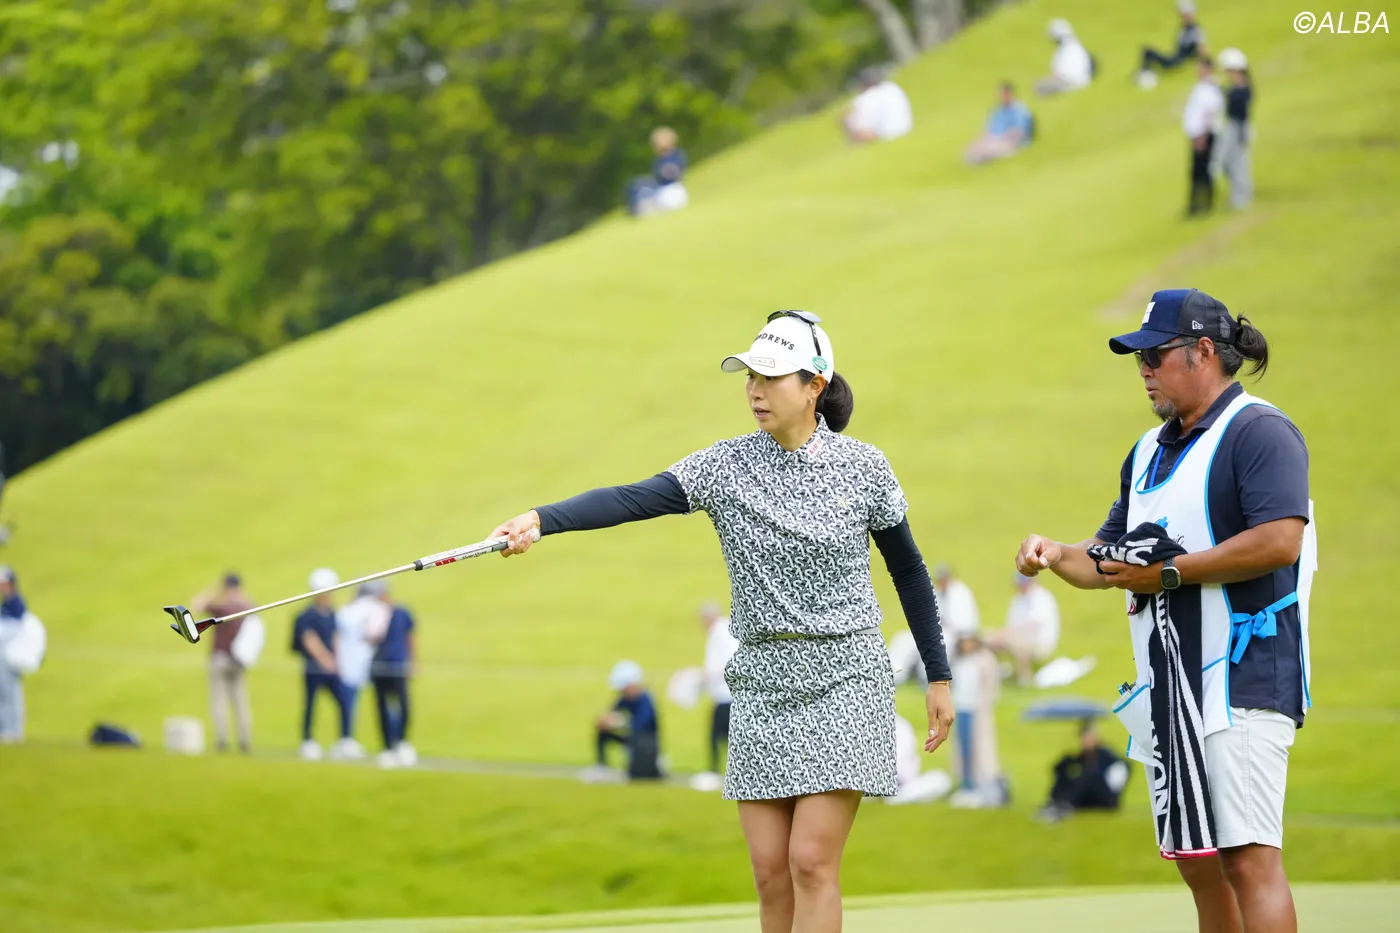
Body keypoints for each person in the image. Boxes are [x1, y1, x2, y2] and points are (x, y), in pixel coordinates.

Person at [488, 309, 953, 932]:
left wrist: (938, 676)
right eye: (749, 376)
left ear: (814, 385)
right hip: (761, 681)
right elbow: (630, 499)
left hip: (845, 675)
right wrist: (541, 519)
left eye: (771, 376)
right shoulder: (725, 467)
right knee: (769, 873)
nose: (754, 390)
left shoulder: (864, 467)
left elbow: (910, 572)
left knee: (810, 862)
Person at [1015, 288, 1314, 933]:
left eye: (1155, 354)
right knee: (1201, 867)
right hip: (1171, 692)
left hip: (1243, 681)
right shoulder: (1148, 450)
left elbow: (1279, 540)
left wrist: (1168, 574)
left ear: (1203, 351)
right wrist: (1056, 553)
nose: (1144, 369)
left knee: (1248, 860)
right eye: (1138, 358)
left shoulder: (1259, 431)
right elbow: (1105, 559)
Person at [192, 572, 254, 753]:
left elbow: (197, 604)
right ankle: (244, 740)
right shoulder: (247, 605)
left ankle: (222, 740)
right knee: (240, 700)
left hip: (220, 657)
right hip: (240, 659)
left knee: (219, 700)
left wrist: (214, 591)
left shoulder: (222, 606)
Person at [947, 632, 1006, 808]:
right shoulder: (957, 661)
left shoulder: (984, 660)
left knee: (979, 749)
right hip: (960, 708)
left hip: (977, 710)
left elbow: (992, 687)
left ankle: (982, 785)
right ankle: (966, 784)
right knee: (962, 748)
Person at [291, 567, 344, 761]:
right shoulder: (307, 615)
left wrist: (336, 660)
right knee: (311, 703)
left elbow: (335, 636)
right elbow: (309, 640)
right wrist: (326, 660)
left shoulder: (332, 613)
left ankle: (344, 739)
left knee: (343, 701)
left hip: (332, 667)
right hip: (313, 668)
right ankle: (308, 740)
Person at [331, 580, 386, 760]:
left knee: (348, 702)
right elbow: (375, 634)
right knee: (382, 703)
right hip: (370, 662)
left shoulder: (348, 610)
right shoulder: (378, 608)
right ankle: (389, 745)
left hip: (347, 660)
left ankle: (346, 739)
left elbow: (338, 631)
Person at [1037, 721, 1131, 822]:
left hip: (1104, 797)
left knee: (1086, 777)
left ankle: (1067, 805)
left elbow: (1123, 768)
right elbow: (1057, 769)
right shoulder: (1082, 756)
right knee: (1068, 775)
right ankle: (1056, 802)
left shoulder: (1105, 755)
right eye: (1084, 737)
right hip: (1088, 796)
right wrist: (1065, 761)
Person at [368, 583, 416, 768]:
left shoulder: (401, 612)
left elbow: (410, 637)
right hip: (379, 666)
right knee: (382, 708)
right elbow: (369, 637)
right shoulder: (373, 614)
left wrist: (412, 661)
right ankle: (387, 747)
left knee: (404, 706)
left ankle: (402, 742)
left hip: (398, 666)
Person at [986, 572, 1061, 686]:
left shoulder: (1042, 598)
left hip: (1040, 641)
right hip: (1020, 637)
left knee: (1014, 641)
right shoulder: (1018, 600)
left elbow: (1034, 624)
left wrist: (1008, 633)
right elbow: (1011, 624)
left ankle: (1024, 677)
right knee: (988, 638)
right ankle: (994, 673)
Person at [593, 660, 662, 781]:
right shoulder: (624, 699)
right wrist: (607, 721)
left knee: (637, 740)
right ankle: (602, 766)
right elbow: (611, 712)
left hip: (645, 742)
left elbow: (640, 726)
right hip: (632, 738)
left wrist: (619, 723)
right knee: (603, 733)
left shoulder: (646, 700)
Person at [699, 600, 739, 781]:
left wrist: (709, 675)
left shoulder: (722, 633)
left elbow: (729, 660)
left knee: (721, 736)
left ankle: (718, 770)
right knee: (718, 735)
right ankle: (718, 769)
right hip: (721, 695)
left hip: (726, 696)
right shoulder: (719, 632)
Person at [1183, 55, 1224, 217]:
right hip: (1196, 135)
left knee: (1205, 170)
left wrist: (1203, 136)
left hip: (1205, 136)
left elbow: (1210, 113)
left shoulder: (1211, 88)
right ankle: (1195, 204)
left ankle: (1206, 203)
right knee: (1196, 171)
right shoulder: (1200, 87)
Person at [1215, 47, 1254, 211]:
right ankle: (1238, 193)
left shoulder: (1243, 88)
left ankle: (1242, 196)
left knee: (1238, 163)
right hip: (1232, 126)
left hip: (1238, 127)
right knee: (1227, 162)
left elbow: (1241, 107)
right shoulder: (1236, 87)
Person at [1137, 0, 1206, 90]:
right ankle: (1145, 73)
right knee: (1148, 51)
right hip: (1175, 57)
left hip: (1177, 61)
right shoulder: (1184, 29)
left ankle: (1144, 75)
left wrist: (1202, 65)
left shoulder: (1195, 30)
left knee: (1148, 52)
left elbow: (1201, 49)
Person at [964, 82, 1035, 166]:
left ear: (1010, 94)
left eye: (1004, 95)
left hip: (1009, 141)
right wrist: (982, 139)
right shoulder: (997, 110)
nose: (1002, 97)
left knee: (989, 150)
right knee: (972, 149)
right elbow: (987, 129)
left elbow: (1018, 132)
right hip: (994, 139)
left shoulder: (1020, 110)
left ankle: (982, 159)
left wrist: (999, 139)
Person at [626, 126, 688, 217]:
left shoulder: (664, 161)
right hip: (680, 192)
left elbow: (668, 174)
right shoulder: (679, 155)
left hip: (668, 193)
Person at [0, 566, 32, 741]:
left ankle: (14, 730)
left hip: (11, 656)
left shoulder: (16, 602)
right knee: (4, 693)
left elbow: (14, 629)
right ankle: (6, 728)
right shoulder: (7, 602)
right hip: (4, 654)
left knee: (11, 693)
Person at [842, 67, 914, 143]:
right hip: (906, 128)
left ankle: (855, 143)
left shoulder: (867, 96)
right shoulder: (892, 86)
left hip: (887, 134)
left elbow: (862, 124)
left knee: (849, 121)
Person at [1036, 19, 1094, 96]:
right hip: (1082, 80)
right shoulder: (1076, 46)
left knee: (1039, 87)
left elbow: (1060, 72)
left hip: (1070, 82)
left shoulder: (1064, 50)